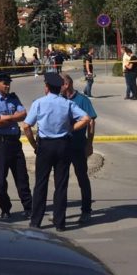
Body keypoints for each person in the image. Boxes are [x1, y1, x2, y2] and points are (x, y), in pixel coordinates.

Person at [22, 72, 90, 231]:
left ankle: (36, 222)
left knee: (41, 184)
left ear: (47, 87)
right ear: (59, 88)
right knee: (61, 185)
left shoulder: (39, 103)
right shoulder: (67, 103)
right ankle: (60, 223)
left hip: (45, 146)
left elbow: (26, 126)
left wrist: (34, 145)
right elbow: (86, 119)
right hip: (63, 145)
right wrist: (71, 129)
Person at [0, 73, 32, 220]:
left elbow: (24, 114)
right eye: (4, 83)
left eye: (8, 83)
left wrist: (6, 118)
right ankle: (5, 209)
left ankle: (29, 207)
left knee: (22, 177)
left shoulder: (14, 98)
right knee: (1, 179)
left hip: (14, 142)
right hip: (0, 143)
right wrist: (14, 118)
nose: (7, 86)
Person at [60, 75, 96, 223]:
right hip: (62, 145)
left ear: (67, 84)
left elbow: (91, 122)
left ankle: (86, 210)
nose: (58, 87)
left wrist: (89, 143)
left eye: (60, 84)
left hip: (78, 145)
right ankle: (60, 212)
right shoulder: (59, 99)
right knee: (61, 180)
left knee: (82, 177)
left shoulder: (82, 100)